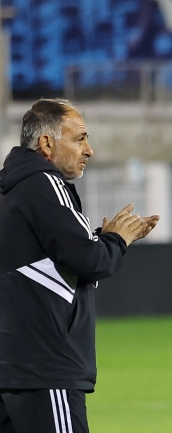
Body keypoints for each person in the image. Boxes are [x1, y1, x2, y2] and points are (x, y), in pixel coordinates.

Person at [0, 98, 159, 432]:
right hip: (46, 370)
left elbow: (46, 260)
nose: (89, 150)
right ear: (47, 143)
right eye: (80, 139)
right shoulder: (45, 183)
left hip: (13, 369)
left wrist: (102, 238)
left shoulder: (11, 189)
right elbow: (87, 260)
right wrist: (117, 240)